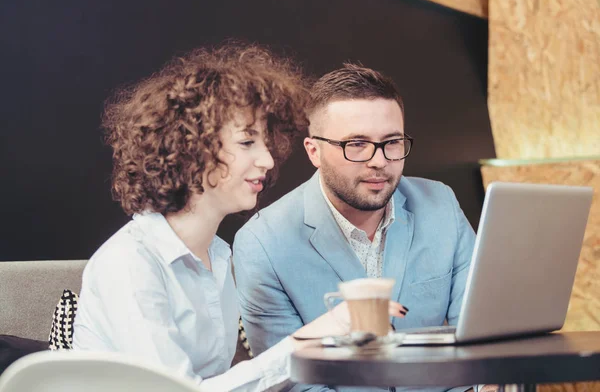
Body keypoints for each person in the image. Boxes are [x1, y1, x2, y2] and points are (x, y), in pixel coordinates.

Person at [72, 45, 406, 392]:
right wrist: (318, 334)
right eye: (247, 142)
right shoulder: (130, 263)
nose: (267, 159)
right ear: (191, 147)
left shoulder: (218, 255)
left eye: (265, 142)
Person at [233, 63, 477, 392]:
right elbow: (291, 382)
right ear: (314, 151)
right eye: (356, 144)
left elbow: (481, 338)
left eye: (392, 142)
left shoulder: (441, 205)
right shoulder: (262, 243)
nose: (379, 160)